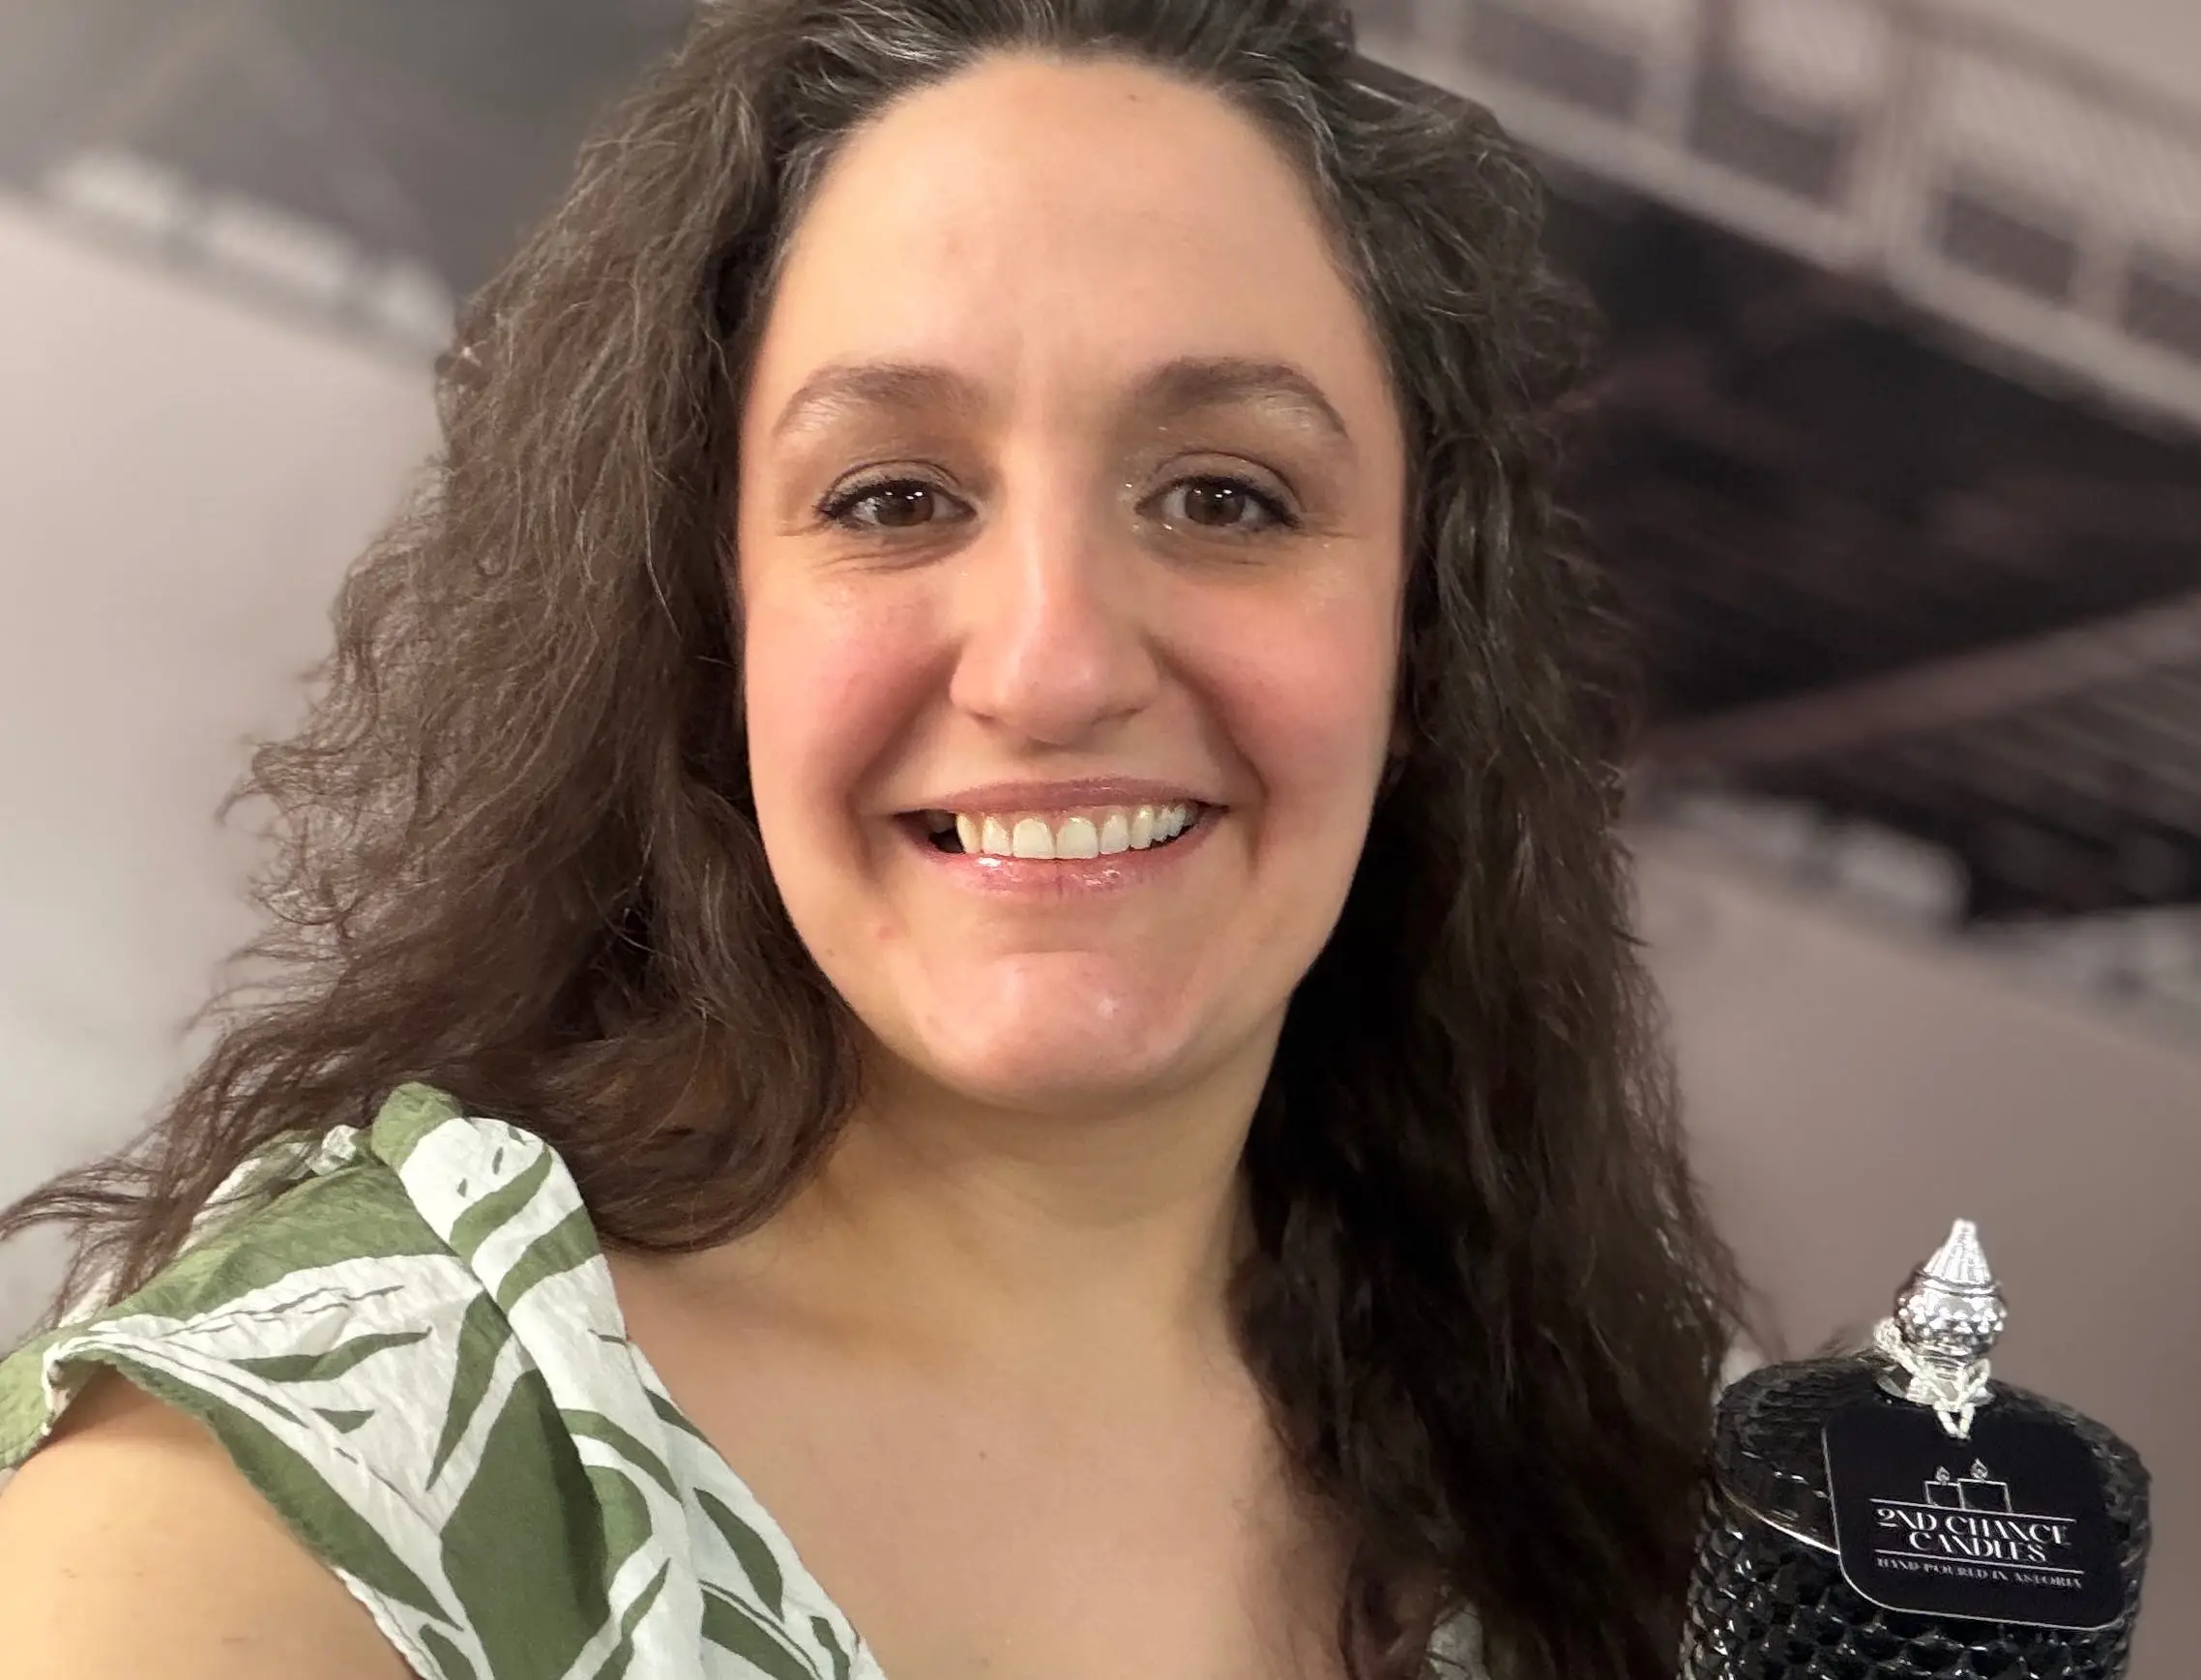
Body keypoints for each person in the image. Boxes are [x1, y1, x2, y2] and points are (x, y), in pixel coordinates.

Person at [0, 1, 1746, 1676]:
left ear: (1422, 640)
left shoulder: (1671, 1504)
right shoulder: (274, 1507)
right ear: (710, 627)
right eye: (893, 498)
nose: (1055, 665)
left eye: (1226, 496)